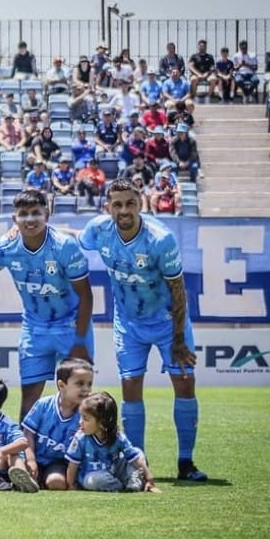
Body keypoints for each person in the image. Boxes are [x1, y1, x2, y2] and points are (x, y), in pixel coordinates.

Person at [77, 178, 206, 481]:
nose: (124, 210)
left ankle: (186, 462)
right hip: (129, 325)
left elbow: (178, 289)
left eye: (130, 203)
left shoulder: (160, 239)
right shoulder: (98, 230)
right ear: (107, 206)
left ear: (140, 203)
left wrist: (178, 339)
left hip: (166, 323)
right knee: (131, 390)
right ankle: (139, 464)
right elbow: (74, 239)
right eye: (117, 204)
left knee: (185, 384)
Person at [0, 190, 93, 416]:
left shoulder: (65, 247)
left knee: (77, 399)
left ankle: (79, 450)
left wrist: (80, 339)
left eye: (36, 213)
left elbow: (86, 295)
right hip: (34, 327)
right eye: (23, 214)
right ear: (14, 218)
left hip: (69, 326)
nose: (30, 219)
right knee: (30, 398)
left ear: (47, 214)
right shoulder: (4, 247)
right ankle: (27, 451)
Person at [20, 358, 92, 491]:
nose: (86, 389)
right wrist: (30, 460)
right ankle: (20, 478)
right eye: (80, 384)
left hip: (59, 463)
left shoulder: (87, 412)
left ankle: (35, 481)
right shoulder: (43, 405)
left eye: (89, 384)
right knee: (13, 458)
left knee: (56, 482)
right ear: (62, 385)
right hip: (34, 457)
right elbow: (27, 434)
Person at [66, 392, 157, 492]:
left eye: (85, 419)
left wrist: (149, 478)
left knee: (137, 452)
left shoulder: (117, 437)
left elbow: (134, 458)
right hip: (92, 475)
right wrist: (71, 484)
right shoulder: (80, 438)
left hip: (115, 471)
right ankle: (119, 486)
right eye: (80, 417)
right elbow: (73, 464)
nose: (80, 422)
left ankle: (133, 482)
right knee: (95, 480)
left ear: (102, 422)